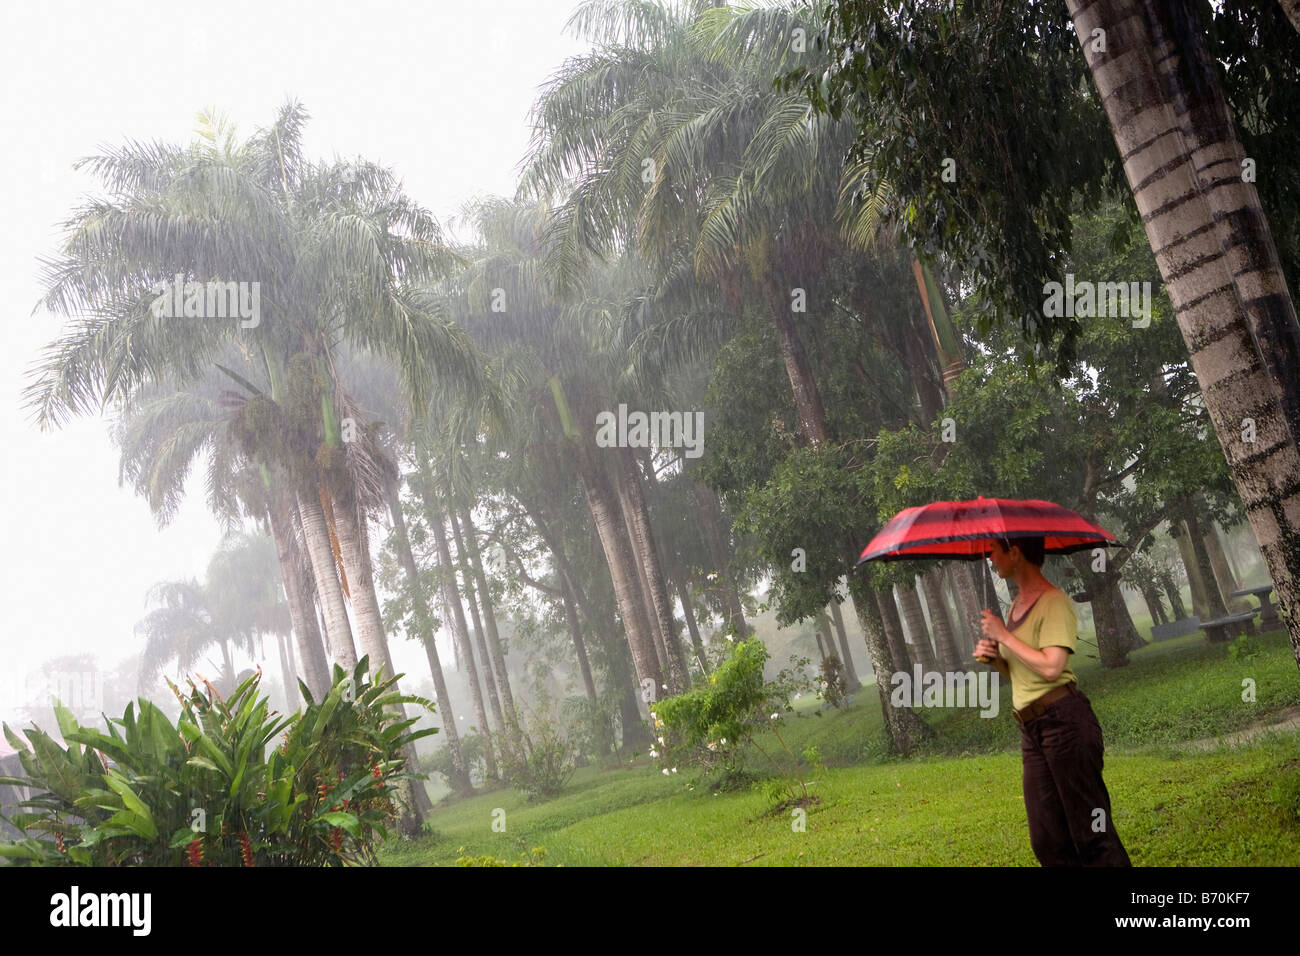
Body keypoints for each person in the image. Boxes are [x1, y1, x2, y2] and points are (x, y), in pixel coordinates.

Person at [973, 536, 1131, 867]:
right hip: (1031, 730)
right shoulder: (1016, 605)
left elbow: (1051, 666)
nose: (990, 559)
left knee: (1092, 832)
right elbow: (1021, 673)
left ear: (1015, 553)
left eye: (994, 551)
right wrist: (995, 659)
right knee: (1047, 838)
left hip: (1065, 723)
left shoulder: (1054, 602)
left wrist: (1003, 637)